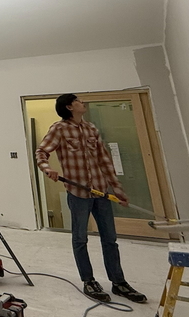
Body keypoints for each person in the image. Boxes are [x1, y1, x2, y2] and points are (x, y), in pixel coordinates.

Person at [35, 93, 147, 304]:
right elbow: (41, 152)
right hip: (78, 194)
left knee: (110, 239)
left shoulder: (91, 128)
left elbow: (104, 159)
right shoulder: (59, 129)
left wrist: (117, 187)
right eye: (78, 101)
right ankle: (89, 281)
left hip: (101, 192)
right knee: (80, 238)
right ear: (69, 107)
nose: (82, 103)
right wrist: (48, 169)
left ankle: (119, 282)